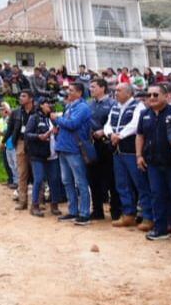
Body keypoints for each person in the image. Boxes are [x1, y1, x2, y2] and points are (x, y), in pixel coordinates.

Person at [138, 83, 171, 241]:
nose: (151, 98)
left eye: (155, 95)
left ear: (167, 96)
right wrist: (139, 156)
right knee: (157, 196)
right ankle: (160, 229)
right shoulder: (145, 114)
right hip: (153, 164)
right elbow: (140, 136)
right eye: (149, 95)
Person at [105, 81, 151, 230]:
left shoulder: (138, 106)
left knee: (140, 185)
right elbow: (107, 124)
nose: (116, 93)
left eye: (119, 90)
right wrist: (111, 134)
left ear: (129, 93)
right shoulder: (115, 107)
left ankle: (148, 216)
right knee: (122, 185)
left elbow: (135, 125)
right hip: (117, 151)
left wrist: (121, 135)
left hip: (131, 151)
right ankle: (128, 214)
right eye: (116, 90)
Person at [53, 82, 94, 225]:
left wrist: (56, 118)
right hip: (64, 147)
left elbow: (72, 124)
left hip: (74, 148)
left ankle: (84, 213)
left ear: (79, 93)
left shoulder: (82, 107)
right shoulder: (69, 106)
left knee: (80, 181)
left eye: (70, 90)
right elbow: (66, 124)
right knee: (67, 181)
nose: (68, 93)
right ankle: (73, 210)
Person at [87, 78, 119, 221]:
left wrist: (103, 132)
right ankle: (97, 210)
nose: (91, 89)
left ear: (102, 88)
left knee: (111, 179)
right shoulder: (89, 105)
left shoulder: (112, 104)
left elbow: (115, 122)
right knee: (94, 178)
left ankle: (116, 211)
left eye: (93, 87)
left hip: (107, 145)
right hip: (92, 144)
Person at [23, 98, 56, 216]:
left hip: (51, 153)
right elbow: (27, 134)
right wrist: (39, 136)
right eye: (48, 104)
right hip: (37, 153)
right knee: (39, 179)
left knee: (54, 179)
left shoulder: (51, 118)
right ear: (41, 105)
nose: (50, 106)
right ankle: (35, 205)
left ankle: (54, 204)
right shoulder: (34, 118)